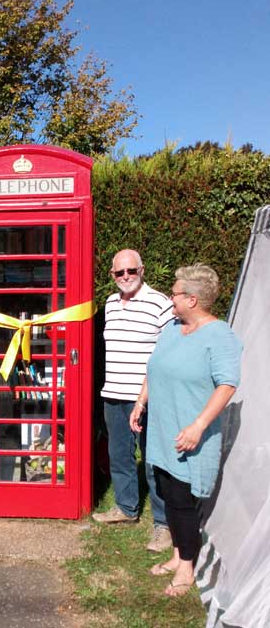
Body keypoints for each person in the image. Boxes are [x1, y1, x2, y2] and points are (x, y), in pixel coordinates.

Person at [130, 264, 242, 597]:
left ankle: (187, 567)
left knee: (180, 500)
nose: (170, 297)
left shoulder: (221, 335)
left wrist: (198, 426)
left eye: (175, 293)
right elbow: (155, 366)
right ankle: (178, 553)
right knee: (165, 493)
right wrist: (140, 403)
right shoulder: (172, 329)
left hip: (188, 433)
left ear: (192, 299)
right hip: (163, 428)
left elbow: (227, 384)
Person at [92, 249, 174, 553]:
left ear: (142, 269)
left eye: (131, 271)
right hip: (113, 393)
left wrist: (146, 396)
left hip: (148, 397)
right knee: (119, 455)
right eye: (119, 273)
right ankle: (126, 508)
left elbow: (167, 355)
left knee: (153, 461)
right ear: (112, 275)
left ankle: (163, 524)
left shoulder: (160, 303)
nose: (125, 277)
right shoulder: (111, 303)